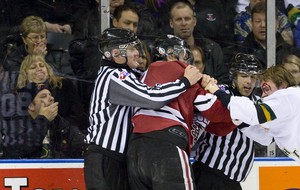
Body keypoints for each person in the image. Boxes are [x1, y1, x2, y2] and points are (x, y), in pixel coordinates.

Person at [84, 28, 202, 190]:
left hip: (116, 158)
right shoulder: (114, 75)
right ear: (117, 53)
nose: (138, 53)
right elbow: (152, 98)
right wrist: (184, 82)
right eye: (132, 49)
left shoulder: (125, 74)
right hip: (106, 158)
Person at [126, 34, 236, 190]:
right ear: (170, 54)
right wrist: (213, 91)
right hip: (166, 146)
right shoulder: (181, 70)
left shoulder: (141, 76)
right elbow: (213, 110)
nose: (187, 62)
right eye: (184, 55)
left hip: (135, 151)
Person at [193, 53, 263, 190]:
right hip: (208, 173)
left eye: (253, 77)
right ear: (234, 77)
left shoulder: (257, 103)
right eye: (244, 75)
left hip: (231, 181)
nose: (249, 81)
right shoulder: (221, 92)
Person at [1, 82, 70, 158]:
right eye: (44, 96)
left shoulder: (62, 125)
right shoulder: (14, 127)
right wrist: (43, 119)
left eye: (51, 95)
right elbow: (19, 151)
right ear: (31, 106)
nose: (51, 98)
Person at [168, 0, 230, 84]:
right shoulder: (164, 51)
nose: (184, 23)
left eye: (187, 19)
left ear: (194, 21)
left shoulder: (212, 49)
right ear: (171, 23)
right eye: (179, 19)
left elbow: (223, 81)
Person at [3, 16, 73, 75]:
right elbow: (18, 82)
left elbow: (70, 82)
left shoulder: (58, 55)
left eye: (42, 37)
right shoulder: (13, 58)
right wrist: (35, 58)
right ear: (24, 40)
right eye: (35, 38)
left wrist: (43, 62)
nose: (40, 41)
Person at [239, 1, 300, 68]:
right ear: (252, 23)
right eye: (258, 21)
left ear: (277, 23)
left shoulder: (292, 53)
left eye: (267, 20)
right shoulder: (241, 56)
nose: (263, 25)